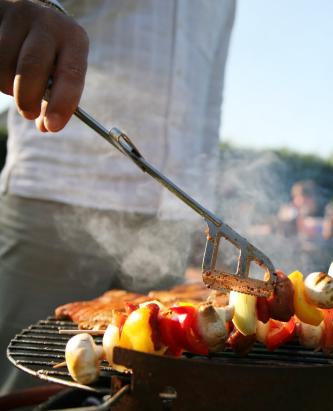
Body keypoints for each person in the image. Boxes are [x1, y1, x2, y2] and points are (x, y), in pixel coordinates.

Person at [0, 0, 235, 394]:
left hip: (168, 218)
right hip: (58, 191)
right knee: (26, 390)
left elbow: (208, 96)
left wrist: (197, 205)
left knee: (151, 394)